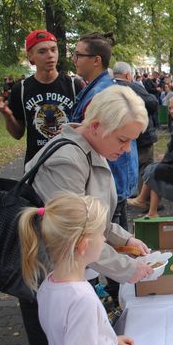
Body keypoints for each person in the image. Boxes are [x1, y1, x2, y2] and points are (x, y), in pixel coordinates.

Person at [20, 84, 154, 345]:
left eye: (132, 140)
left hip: (68, 267)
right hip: (49, 269)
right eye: (122, 139)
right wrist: (127, 269)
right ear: (95, 126)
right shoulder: (66, 161)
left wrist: (125, 238)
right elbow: (79, 232)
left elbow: (94, 215)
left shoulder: (93, 145)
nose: (127, 148)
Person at [18, 193, 159, 345]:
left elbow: (67, 337)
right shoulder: (81, 300)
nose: (103, 240)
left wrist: (108, 341)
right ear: (84, 245)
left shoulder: (48, 284)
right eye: (101, 234)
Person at [70, 32, 138, 231]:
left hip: (109, 180)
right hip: (111, 180)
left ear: (96, 60)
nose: (74, 60)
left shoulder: (100, 95)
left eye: (78, 55)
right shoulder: (99, 88)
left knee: (108, 242)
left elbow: (96, 142)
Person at [0, 29, 81, 163]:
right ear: (30, 56)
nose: (50, 55)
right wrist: (7, 115)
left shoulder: (74, 86)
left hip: (70, 164)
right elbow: (17, 134)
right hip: (36, 167)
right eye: (42, 51)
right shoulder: (20, 89)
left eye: (53, 50)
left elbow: (86, 127)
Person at [129, 95, 173, 217]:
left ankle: (148, 207)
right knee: (152, 168)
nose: (172, 111)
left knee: (156, 171)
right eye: (170, 108)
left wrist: (167, 158)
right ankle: (147, 205)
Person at [112, 61, 158, 193]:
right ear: (127, 75)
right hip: (142, 135)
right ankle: (145, 198)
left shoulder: (108, 87)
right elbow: (152, 103)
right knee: (146, 166)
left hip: (121, 137)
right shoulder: (132, 87)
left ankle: (130, 191)